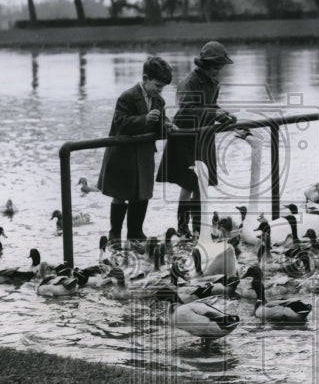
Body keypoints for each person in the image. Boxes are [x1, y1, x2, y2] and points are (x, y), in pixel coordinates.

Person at [156, 41, 237, 237]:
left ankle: (199, 227)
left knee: (203, 182)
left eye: (220, 66)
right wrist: (214, 114)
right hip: (185, 137)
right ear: (205, 64)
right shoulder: (189, 82)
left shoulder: (212, 82)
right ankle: (183, 228)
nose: (218, 70)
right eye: (216, 66)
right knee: (189, 183)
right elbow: (187, 110)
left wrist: (222, 112)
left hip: (204, 136)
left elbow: (212, 105)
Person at [97, 55, 175, 245]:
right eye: (157, 86)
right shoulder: (127, 97)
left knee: (142, 194)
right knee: (121, 194)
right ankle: (114, 234)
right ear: (145, 78)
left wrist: (167, 126)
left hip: (144, 154)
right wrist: (145, 120)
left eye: (162, 88)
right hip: (122, 156)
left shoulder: (159, 101)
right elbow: (121, 123)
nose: (160, 91)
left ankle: (135, 233)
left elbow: (159, 126)